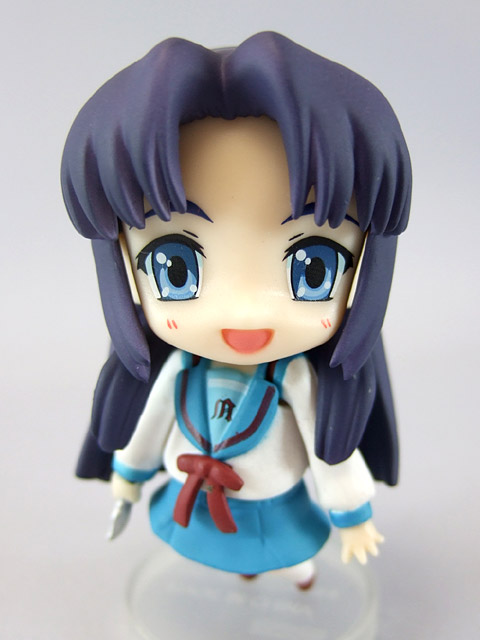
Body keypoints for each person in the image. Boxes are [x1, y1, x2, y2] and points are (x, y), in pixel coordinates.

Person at [61, 32, 411, 588]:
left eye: (312, 268)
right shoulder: (182, 368)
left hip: (271, 503)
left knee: (288, 551)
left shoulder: (293, 378)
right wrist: (128, 474)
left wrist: (352, 516)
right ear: (122, 263)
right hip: (196, 495)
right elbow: (151, 426)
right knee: (223, 548)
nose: (245, 310)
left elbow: (330, 457)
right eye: (176, 268)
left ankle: (295, 570)